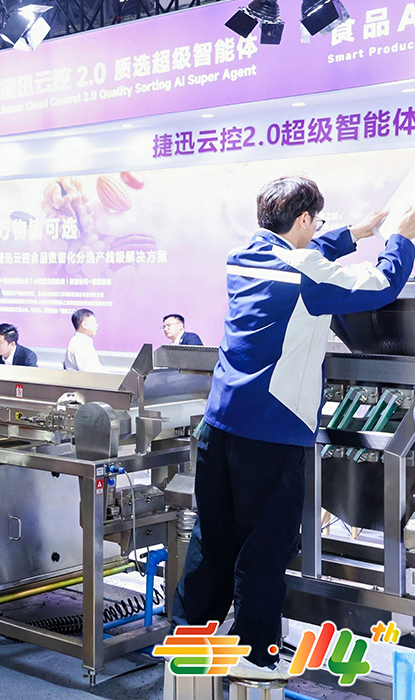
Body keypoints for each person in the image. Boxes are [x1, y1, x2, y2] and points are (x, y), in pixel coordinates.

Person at [172, 177, 415, 682]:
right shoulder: (307, 274)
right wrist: (400, 237)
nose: (317, 228)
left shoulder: (243, 256)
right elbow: (380, 285)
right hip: (274, 429)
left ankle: (188, 647)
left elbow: (301, 256)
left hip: (221, 424)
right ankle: (256, 659)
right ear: (303, 219)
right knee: (265, 546)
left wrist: (354, 232)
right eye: (315, 221)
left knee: (212, 539)